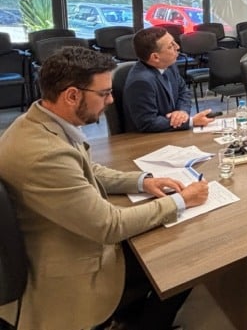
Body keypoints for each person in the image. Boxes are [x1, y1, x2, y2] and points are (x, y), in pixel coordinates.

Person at [0, 47, 209, 330]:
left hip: (62, 235)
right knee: (187, 256)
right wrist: (181, 200)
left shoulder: (40, 121)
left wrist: (142, 181)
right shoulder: (45, 154)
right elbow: (110, 226)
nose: (111, 100)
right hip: (68, 270)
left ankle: (128, 317)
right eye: (104, 93)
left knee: (161, 235)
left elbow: (88, 169)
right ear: (72, 95)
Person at [123, 27, 213, 132]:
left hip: (170, 132)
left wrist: (181, 112)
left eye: (174, 42)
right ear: (155, 57)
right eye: (170, 46)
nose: (177, 47)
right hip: (148, 138)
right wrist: (190, 121)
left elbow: (183, 91)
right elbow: (148, 122)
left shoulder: (169, 65)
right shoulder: (141, 82)